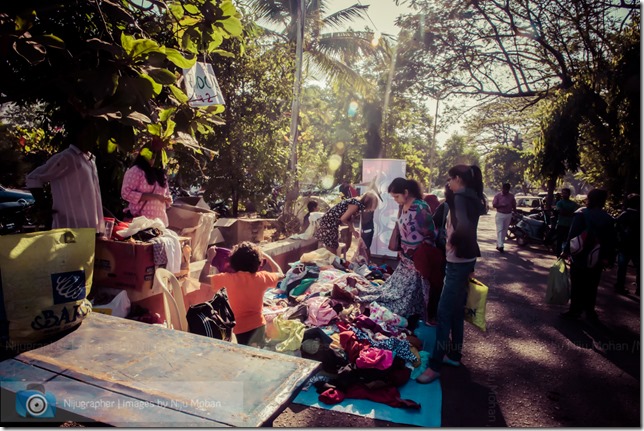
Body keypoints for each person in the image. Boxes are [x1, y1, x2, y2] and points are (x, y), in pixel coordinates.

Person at [417, 164, 484, 384]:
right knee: (455, 311)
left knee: (444, 314)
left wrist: (452, 243)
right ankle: (454, 355)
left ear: (458, 179)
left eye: (450, 179)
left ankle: (435, 366)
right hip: (465, 261)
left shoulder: (460, 199)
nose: (448, 183)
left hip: (457, 262)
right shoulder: (473, 196)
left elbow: (463, 227)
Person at [199, 241, 285, 347]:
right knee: (258, 354)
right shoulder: (262, 277)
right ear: (259, 262)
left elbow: (202, 278)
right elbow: (281, 274)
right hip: (259, 325)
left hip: (240, 328)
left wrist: (209, 259)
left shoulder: (228, 278)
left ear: (233, 262)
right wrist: (268, 258)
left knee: (246, 355)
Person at [26, 124, 105, 235]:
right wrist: (43, 205)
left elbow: (93, 195)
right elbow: (33, 177)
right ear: (78, 135)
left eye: (94, 135)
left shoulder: (90, 160)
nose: (92, 138)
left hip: (89, 228)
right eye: (88, 134)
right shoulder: (67, 157)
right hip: (69, 229)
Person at [376, 178, 435, 321]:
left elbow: (430, 234)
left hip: (418, 261)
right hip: (405, 260)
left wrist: (418, 254)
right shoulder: (403, 207)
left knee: (412, 295)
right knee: (397, 293)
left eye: (396, 196)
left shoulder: (420, 207)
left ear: (406, 192)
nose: (395, 200)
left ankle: (416, 320)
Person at [560, 189, 617, 322]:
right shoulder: (608, 218)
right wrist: (607, 258)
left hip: (580, 254)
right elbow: (611, 241)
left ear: (589, 198)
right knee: (592, 284)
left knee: (577, 283)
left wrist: (566, 251)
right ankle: (590, 311)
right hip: (597, 256)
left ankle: (575, 310)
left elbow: (572, 235)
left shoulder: (581, 214)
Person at [121, 138, 173, 227]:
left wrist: (168, 199)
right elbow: (126, 193)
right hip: (140, 222)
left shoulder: (160, 174)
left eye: (157, 155)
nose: (154, 157)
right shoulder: (136, 171)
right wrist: (155, 197)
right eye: (152, 154)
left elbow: (167, 194)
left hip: (159, 223)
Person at [314, 191, 379, 255]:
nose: (370, 209)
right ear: (369, 203)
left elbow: (349, 219)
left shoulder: (356, 203)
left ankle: (332, 262)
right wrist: (353, 230)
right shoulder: (355, 205)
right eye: (372, 206)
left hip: (330, 222)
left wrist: (353, 231)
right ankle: (332, 263)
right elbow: (343, 219)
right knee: (332, 246)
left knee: (333, 245)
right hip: (329, 223)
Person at [614, 193, 639, 295]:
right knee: (639, 267)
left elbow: (616, 227)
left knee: (622, 267)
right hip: (637, 245)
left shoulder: (624, 214)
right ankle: (639, 289)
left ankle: (620, 286)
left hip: (624, 245)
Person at [554, 188, 579, 256]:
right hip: (561, 224)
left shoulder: (573, 203)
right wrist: (570, 213)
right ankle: (558, 255)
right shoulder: (560, 203)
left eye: (566, 193)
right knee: (559, 241)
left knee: (569, 241)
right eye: (563, 193)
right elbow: (561, 212)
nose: (564, 194)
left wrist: (566, 212)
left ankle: (567, 255)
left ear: (569, 194)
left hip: (570, 225)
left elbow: (576, 213)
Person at [492, 183, 516, 253]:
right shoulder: (498, 196)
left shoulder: (511, 196)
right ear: (502, 188)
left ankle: (499, 244)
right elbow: (494, 205)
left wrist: (515, 212)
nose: (505, 191)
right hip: (500, 214)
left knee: (504, 231)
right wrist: (501, 205)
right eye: (504, 189)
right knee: (500, 229)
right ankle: (501, 246)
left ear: (508, 189)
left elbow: (514, 204)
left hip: (508, 214)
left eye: (506, 189)